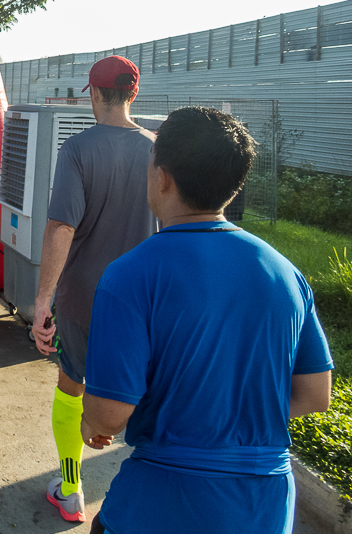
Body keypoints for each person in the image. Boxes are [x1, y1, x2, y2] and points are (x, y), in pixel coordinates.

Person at [82, 107, 334, 534]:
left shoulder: (130, 275)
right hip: (265, 508)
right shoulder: (285, 273)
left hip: (165, 502)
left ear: (162, 177)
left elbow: (109, 414)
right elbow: (314, 395)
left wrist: (93, 422)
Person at [31, 55, 157, 523]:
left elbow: (62, 225)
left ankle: (70, 488)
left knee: (71, 388)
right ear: (134, 93)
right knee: (141, 391)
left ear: (94, 94)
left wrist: (43, 298)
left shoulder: (78, 149)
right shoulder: (157, 149)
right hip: (141, 302)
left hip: (83, 299)